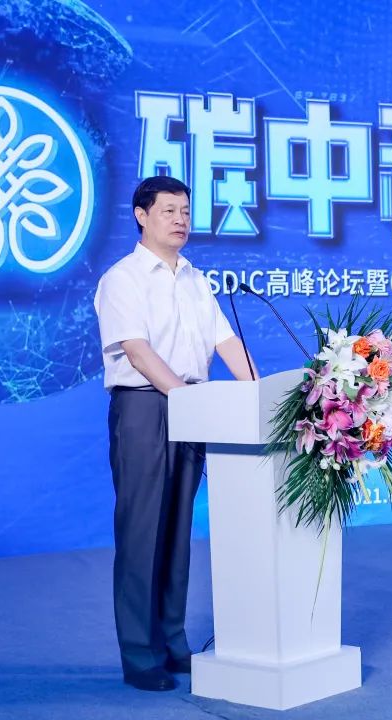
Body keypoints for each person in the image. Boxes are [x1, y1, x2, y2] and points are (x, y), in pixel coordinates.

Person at [94, 175, 257, 691]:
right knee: (142, 532)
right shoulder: (122, 278)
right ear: (141, 216)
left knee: (178, 532)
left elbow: (227, 343)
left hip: (193, 406)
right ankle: (139, 653)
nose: (181, 220)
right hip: (145, 407)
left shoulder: (195, 279)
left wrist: (261, 395)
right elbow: (137, 351)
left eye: (185, 211)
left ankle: (172, 639)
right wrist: (186, 399)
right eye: (169, 211)